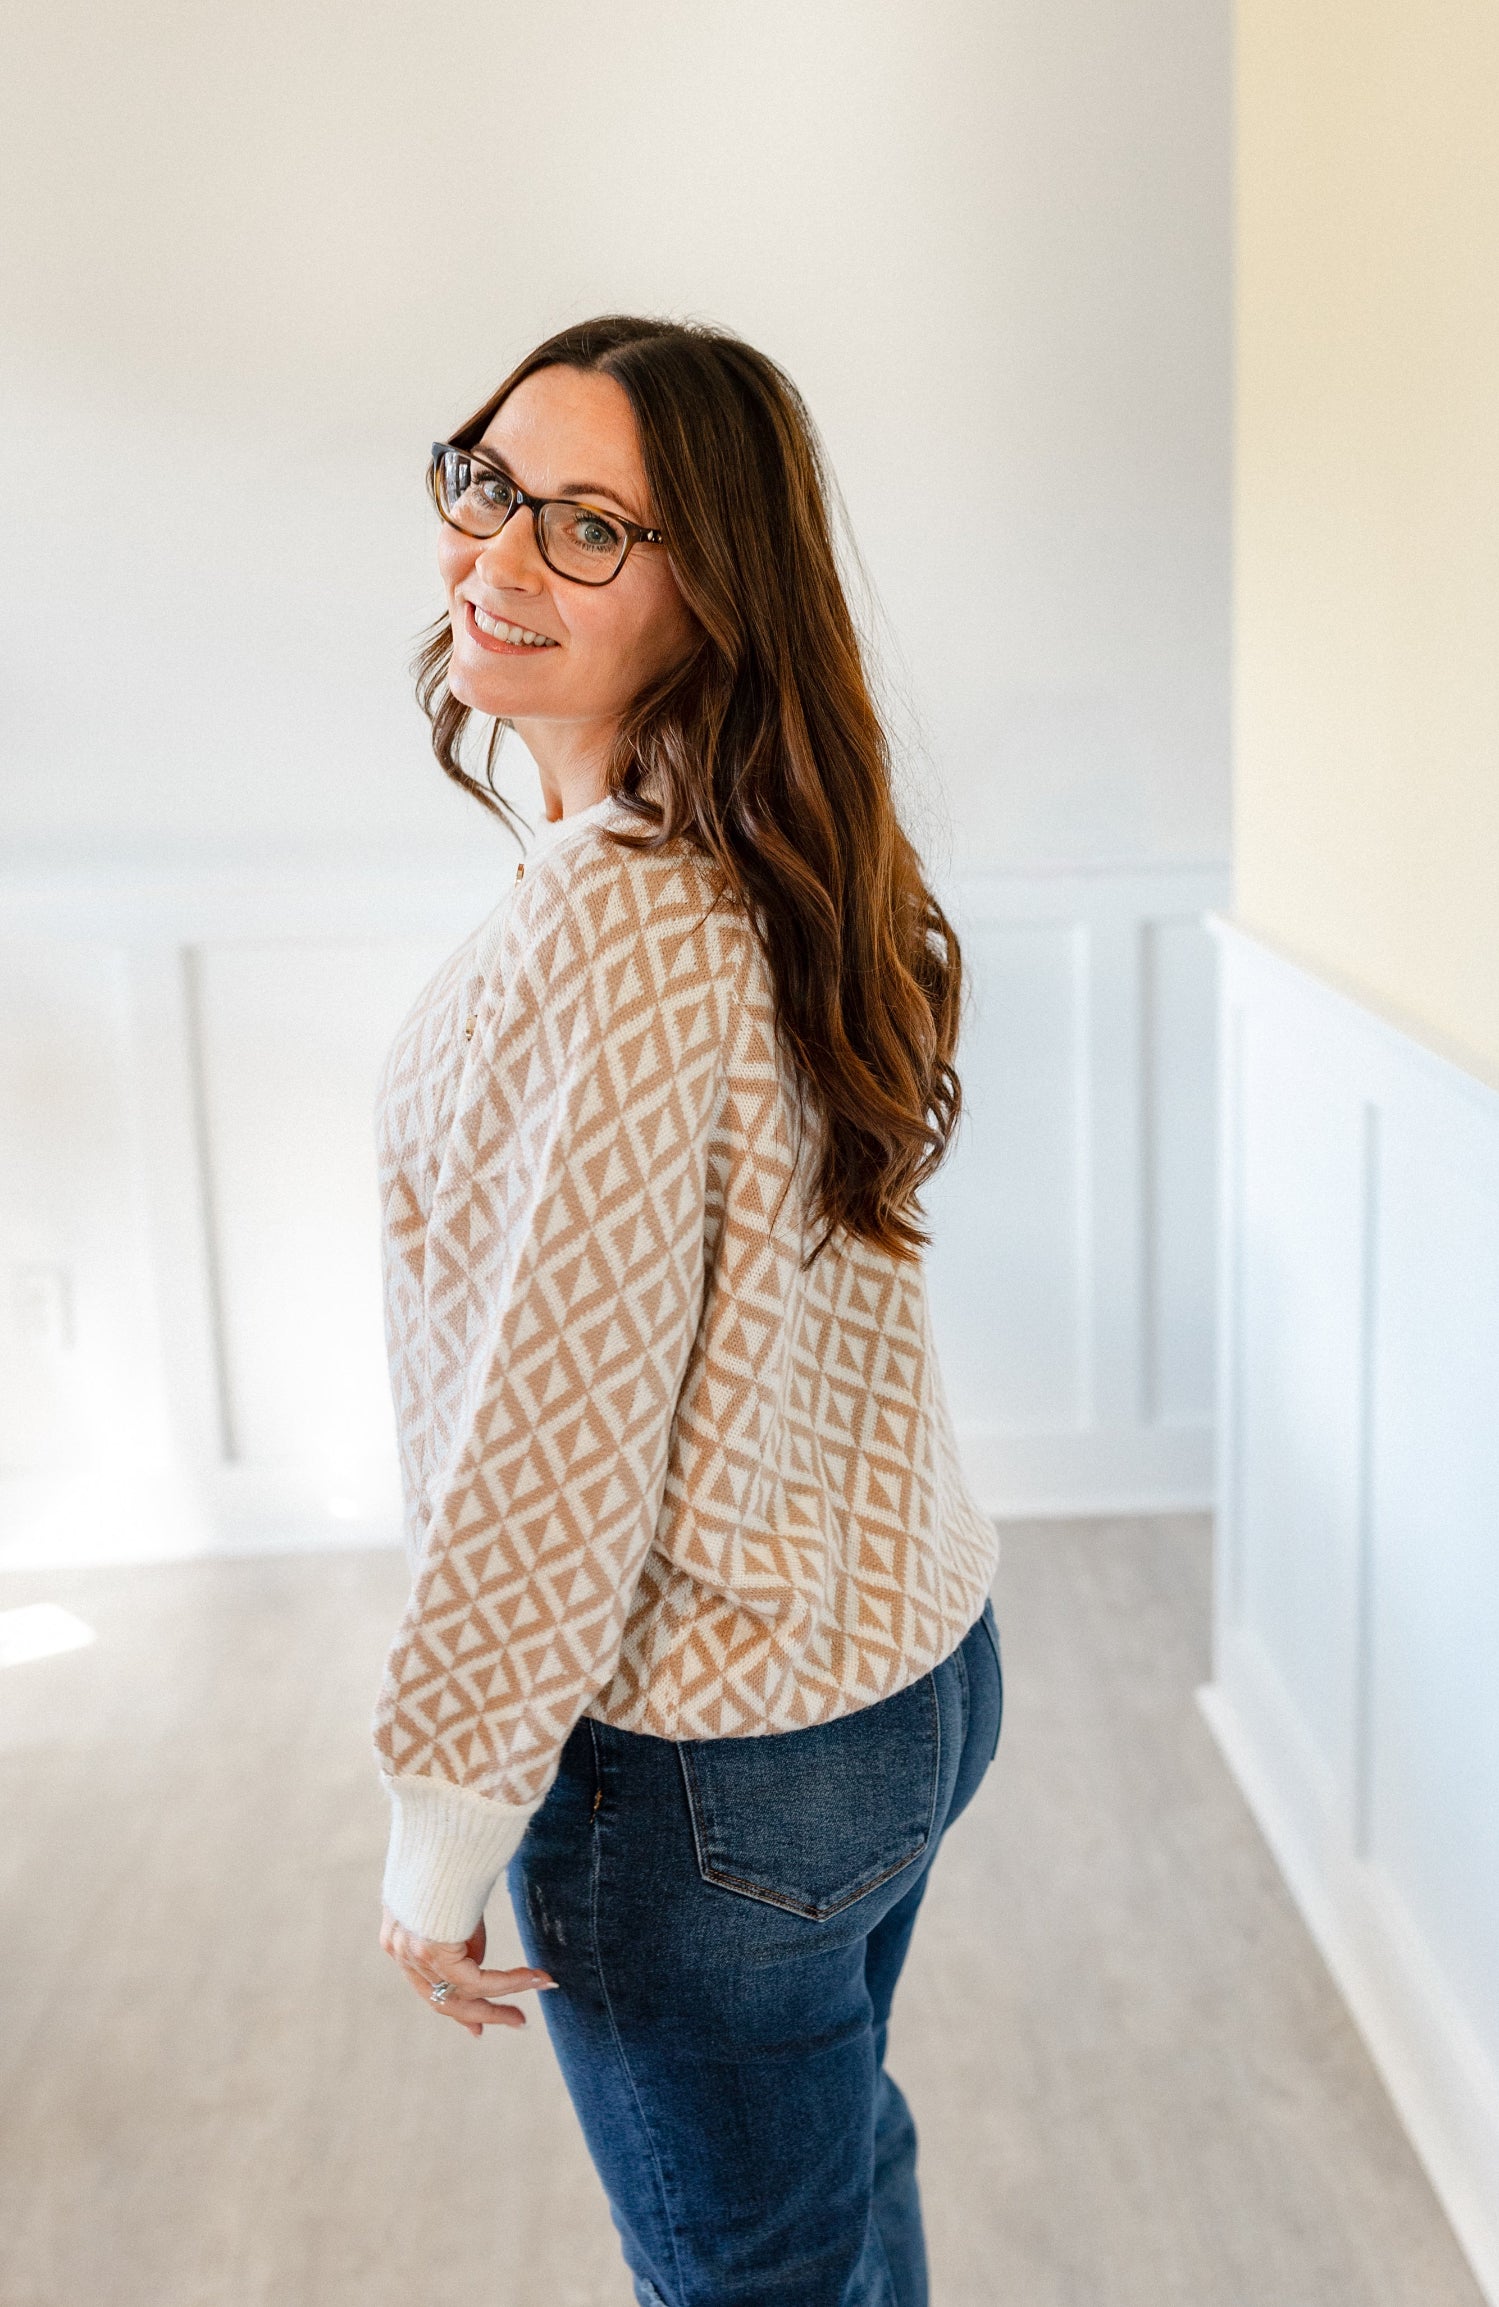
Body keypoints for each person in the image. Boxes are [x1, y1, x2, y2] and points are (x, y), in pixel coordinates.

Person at [372, 314, 1003, 2307]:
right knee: (838, 2168)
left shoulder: (612, 937)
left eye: (587, 528)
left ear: (710, 591)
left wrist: (439, 1826)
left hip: (719, 1765)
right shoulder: (782, 857)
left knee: (746, 2274)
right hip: (919, 1668)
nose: (498, 556)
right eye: (489, 482)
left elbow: (544, 1448)